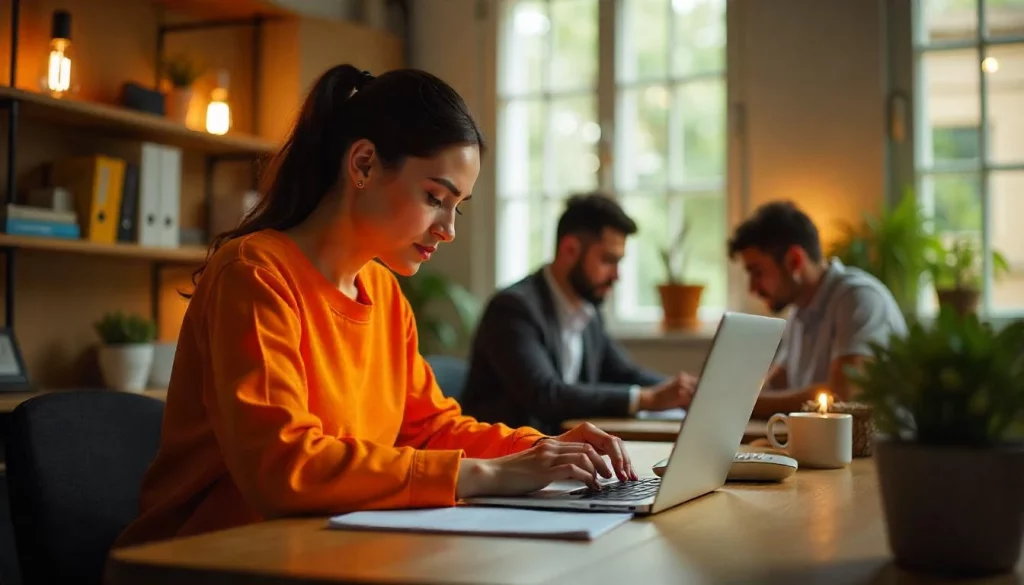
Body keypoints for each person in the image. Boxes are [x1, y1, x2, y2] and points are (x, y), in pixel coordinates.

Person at [113, 65, 637, 549]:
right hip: (213, 556)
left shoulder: (383, 292)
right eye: (435, 198)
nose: (448, 230)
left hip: (331, 546)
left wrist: (545, 448)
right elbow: (283, 467)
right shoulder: (254, 274)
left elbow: (429, 429)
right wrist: (488, 474)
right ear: (363, 164)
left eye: (456, 207)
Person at [461, 193, 696, 436]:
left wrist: (686, 392)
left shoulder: (587, 311)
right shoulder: (512, 308)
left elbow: (625, 373)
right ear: (570, 249)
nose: (617, 276)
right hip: (507, 453)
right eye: (608, 260)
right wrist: (647, 399)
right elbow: (545, 394)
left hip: (558, 450)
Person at [727, 201, 908, 419]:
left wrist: (740, 403)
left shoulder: (859, 298)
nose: (752, 289)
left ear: (794, 261)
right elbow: (775, 385)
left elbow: (842, 397)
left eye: (757, 272)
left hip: (873, 442)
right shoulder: (798, 312)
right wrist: (721, 393)